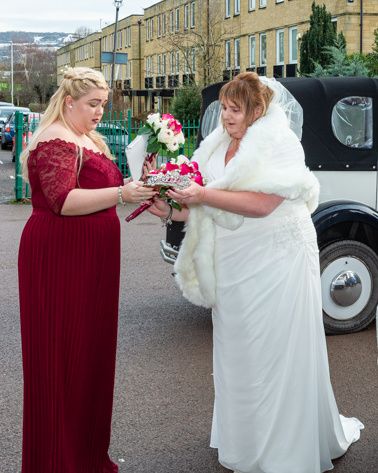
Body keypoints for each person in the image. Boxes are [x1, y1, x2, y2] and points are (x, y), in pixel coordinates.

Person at [148, 72, 363, 473]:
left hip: (276, 255)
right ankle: (245, 440)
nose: (226, 117)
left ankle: (285, 447)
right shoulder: (214, 145)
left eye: (235, 109)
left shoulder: (278, 143)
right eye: (224, 108)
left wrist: (201, 195)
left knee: (275, 348)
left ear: (257, 110)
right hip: (232, 260)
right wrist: (169, 208)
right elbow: (201, 202)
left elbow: (263, 204)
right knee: (238, 350)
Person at [18, 67, 156, 473]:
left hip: (93, 259)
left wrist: (143, 188)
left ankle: (85, 455)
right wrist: (120, 193)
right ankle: (57, 462)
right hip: (61, 257)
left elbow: (108, 190)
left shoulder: (88, 138)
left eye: (103, 104)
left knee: (90, 356)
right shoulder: (55, 139)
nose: (100, 111)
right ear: (68, 102)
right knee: (61, 357)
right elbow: (62, 200)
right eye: (93, 104)